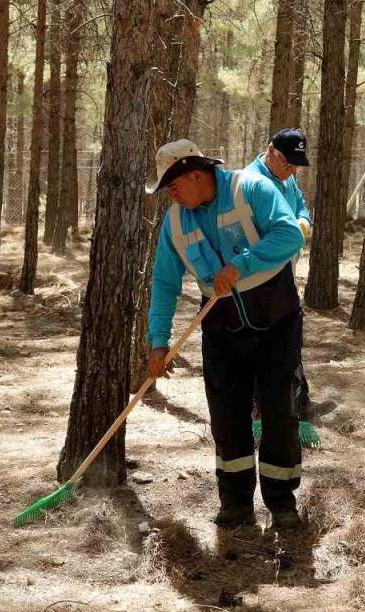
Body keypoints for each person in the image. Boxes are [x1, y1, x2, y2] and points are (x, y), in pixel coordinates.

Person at [146, 139, 306, 530]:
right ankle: (235, 504)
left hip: (277, 320)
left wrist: (241, 265)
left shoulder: (251, 188)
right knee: (226, 416)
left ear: (195, 174)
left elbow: (291, 234)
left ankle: (282, 503)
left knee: (278, 411)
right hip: (221, 327)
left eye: (173, 184)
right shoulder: (175, 222)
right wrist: (158, 342)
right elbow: (165, 282)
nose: (171, 193)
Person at [243, 128, 336, 421]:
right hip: (257, 281)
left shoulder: (288, 179)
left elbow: (302, 209)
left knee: (289, 340)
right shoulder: (250, 183)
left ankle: (301, 402)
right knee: (261, 346)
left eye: (297, 164)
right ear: (271, 151)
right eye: (288, 163)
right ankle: (260, 412)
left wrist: (302, 224)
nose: (292, 169)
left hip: (284, 275)